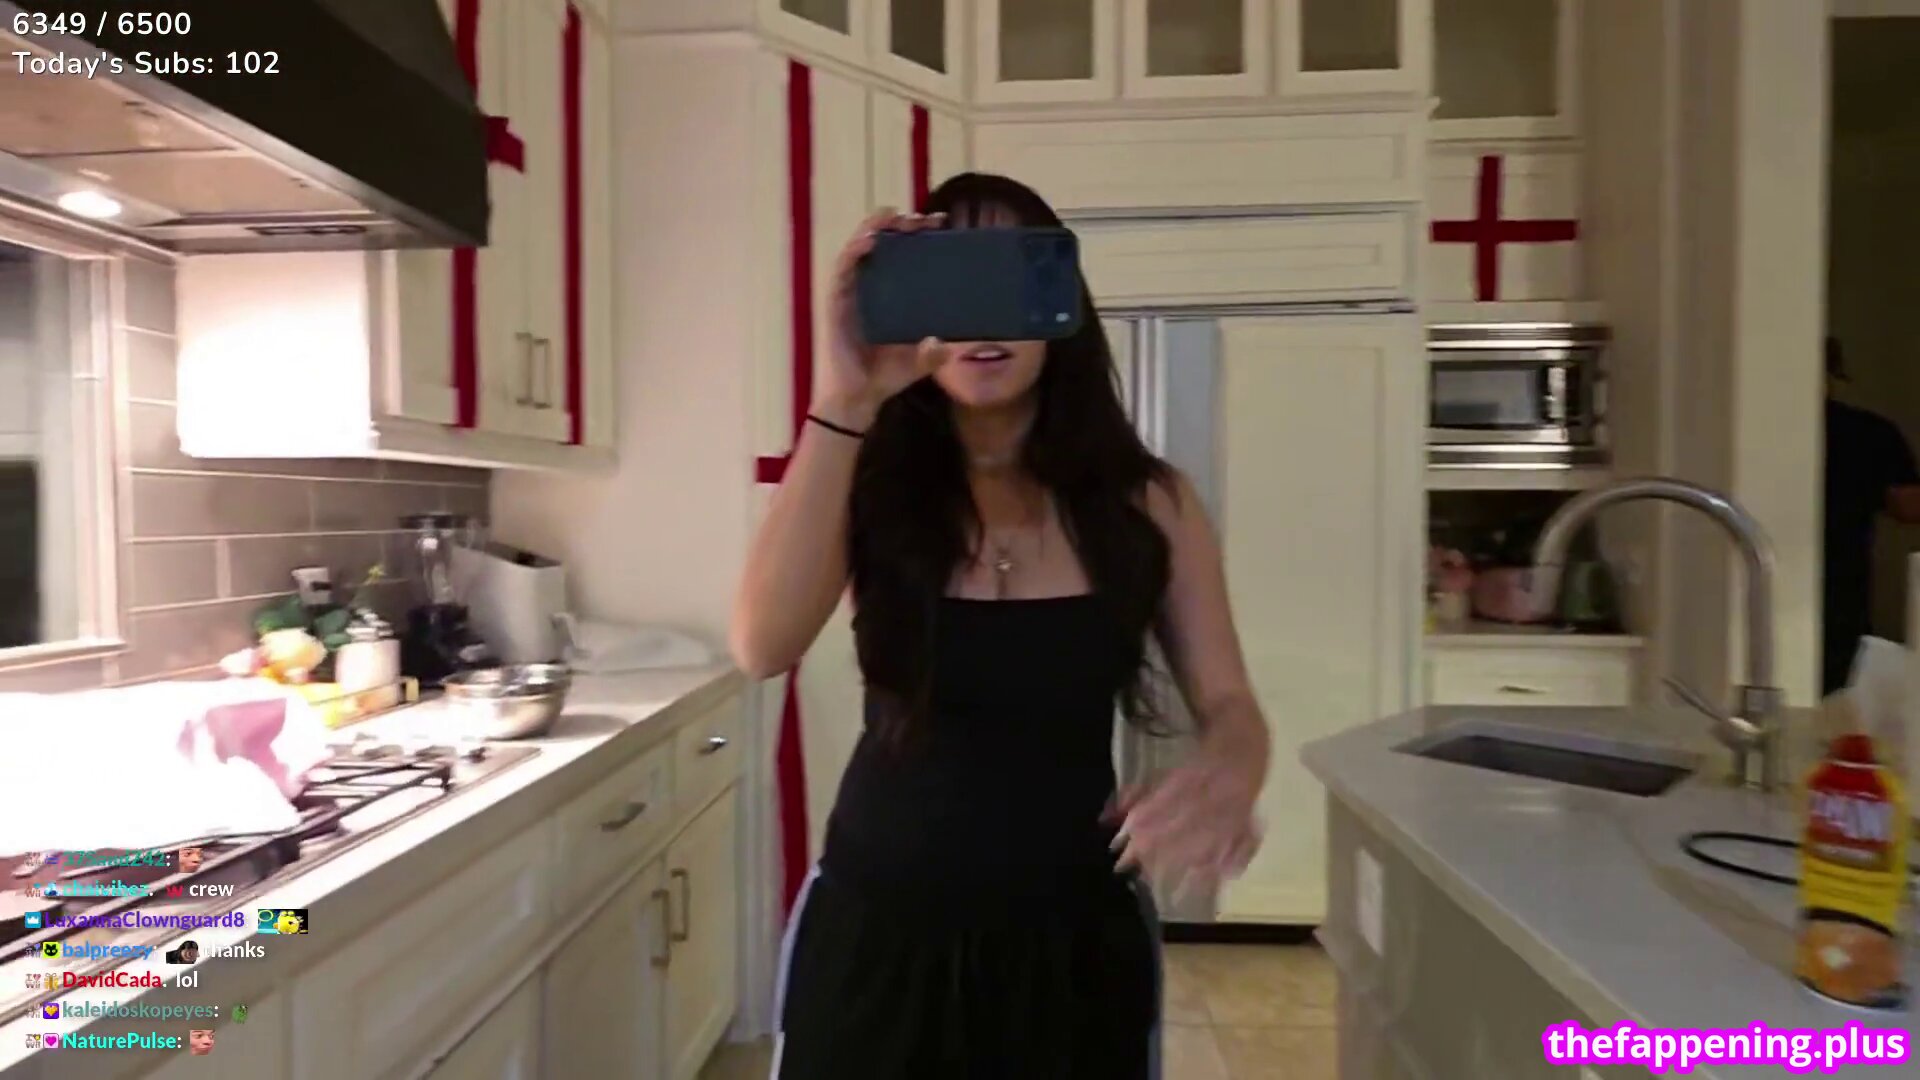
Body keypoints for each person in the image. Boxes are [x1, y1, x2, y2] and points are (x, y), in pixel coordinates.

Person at [731, 173, 1272, 1078]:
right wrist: (846, 399)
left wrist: (1232, 767)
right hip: (877, 935)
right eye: (956, 280)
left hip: (1076, 945)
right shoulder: (866, 482)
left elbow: (1230, 702)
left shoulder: (1150, 503)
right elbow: (761, 645)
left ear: (1062, 305)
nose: (985, 320)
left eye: (1012, 276)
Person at [1823, 336, 1920, 694]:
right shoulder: (1865, 431)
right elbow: (1908, 506)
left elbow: (1907, 505)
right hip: (1843, 592)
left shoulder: (1864, 433)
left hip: (1841, 592)